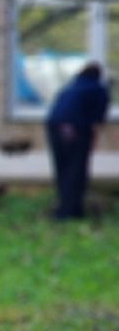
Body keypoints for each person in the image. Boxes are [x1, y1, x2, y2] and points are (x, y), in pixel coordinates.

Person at [46, 61, 109, 220]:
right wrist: (91, 142)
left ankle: (64, 205)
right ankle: (70, 211)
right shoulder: (97, 89)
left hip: (54, 126)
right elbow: (96, 121)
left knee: (62, 166)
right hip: (74, 128)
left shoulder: (70, 87)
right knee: (76, 167)